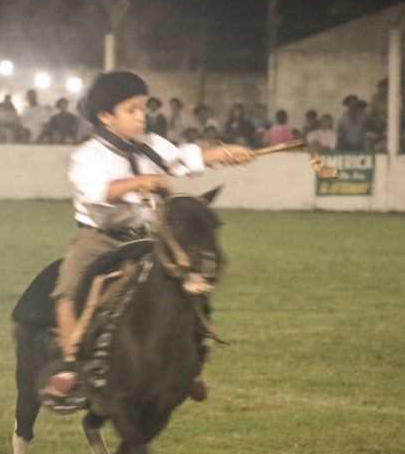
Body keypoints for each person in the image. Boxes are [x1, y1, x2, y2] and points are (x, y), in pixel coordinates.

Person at [47, 71, 254, 398]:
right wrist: (139, 183)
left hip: (141, 236)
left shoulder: (152, 146)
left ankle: (190, 362)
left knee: (188, 280)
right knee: (67, 290)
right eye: (131, 110)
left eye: (143, 108)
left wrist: (223, 153)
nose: (141, 117)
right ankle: (71, 365)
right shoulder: (87, 157)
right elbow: (100, 191)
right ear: (105, 116)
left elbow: (185, 158)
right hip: (98, 238)